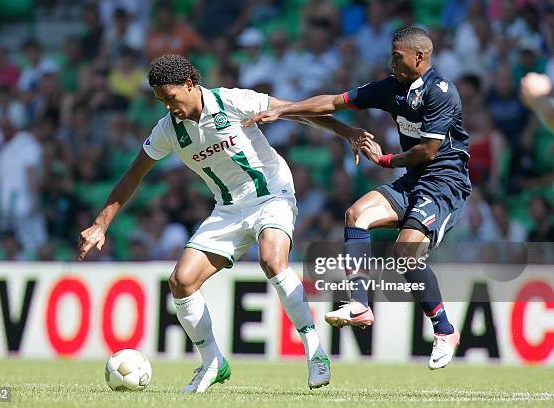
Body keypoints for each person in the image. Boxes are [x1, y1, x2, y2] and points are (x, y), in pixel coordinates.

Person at [78, 54, 368, 392]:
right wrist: (101, 224)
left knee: (272, 260)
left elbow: (297, 111)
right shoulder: (168, 131)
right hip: (228, 209)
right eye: (160, 101)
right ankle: (213, 362)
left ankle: (315, 351)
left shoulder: (232, 101)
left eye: (170, 98)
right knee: (181, 281)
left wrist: (346, 131)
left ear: (190, 85)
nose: (168, 107)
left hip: (271, 193)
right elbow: (133, 175)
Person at [244, 27, 471, 370]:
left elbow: (427, 151)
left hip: (444, 182)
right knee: (356, 214)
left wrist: (384, 160)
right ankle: (359, 305)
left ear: (419, 57)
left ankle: (444, 330)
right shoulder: (391, 89)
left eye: (397, 56)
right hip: (413, 180)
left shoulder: (441, 93)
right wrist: (284, 110)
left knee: (405, 251)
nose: (391, 61)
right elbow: (334, 101)